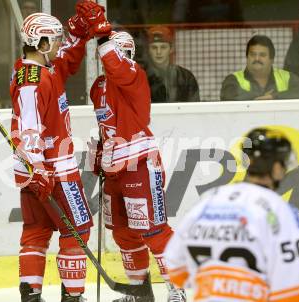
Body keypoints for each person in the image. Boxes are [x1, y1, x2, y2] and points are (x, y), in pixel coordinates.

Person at [9, 2, 109, 300]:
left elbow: (64, 59)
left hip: (35, 172)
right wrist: (38, 168)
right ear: (40, 44)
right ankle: (73, 296)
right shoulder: (34, 81)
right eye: (54, 41)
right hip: (54, 171)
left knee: (36, 231)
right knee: (78, 230)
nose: (58, 47)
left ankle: (30, 294)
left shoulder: (31, 70)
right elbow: (29, 128)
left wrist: (78, 34)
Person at [87, 28, 186, 301]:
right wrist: (98, 152)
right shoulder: (98, 87)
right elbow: (105, 126)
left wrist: (104, 36)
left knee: (153, 230)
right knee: (123, 234)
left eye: (118, 54)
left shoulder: (133, 76)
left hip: (139, 162)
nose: (110, 59)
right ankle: (140, 293)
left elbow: (117, 66)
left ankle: (177, 288)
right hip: (114, 168)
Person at [164, 127, 299, 301]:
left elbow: (175, 266)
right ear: (276, 168)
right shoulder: (281, 212)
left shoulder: (208, 202)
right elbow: (294, 288)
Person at [221, 35, 299, 101]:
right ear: (247, 57)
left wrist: (274, 96)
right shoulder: (233, 79)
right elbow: (228, 98)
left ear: (271, 60)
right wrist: (264, 98)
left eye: (262, 55)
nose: (257, 58)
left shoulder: (287, 77)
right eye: (253, 54)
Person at [144, 26, 200, 103]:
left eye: (163, 47)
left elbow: (194, 107)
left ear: (171, 49)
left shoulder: (186, 77)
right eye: (154, 47)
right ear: (148, 50)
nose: (159, 52)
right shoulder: (139, 78)